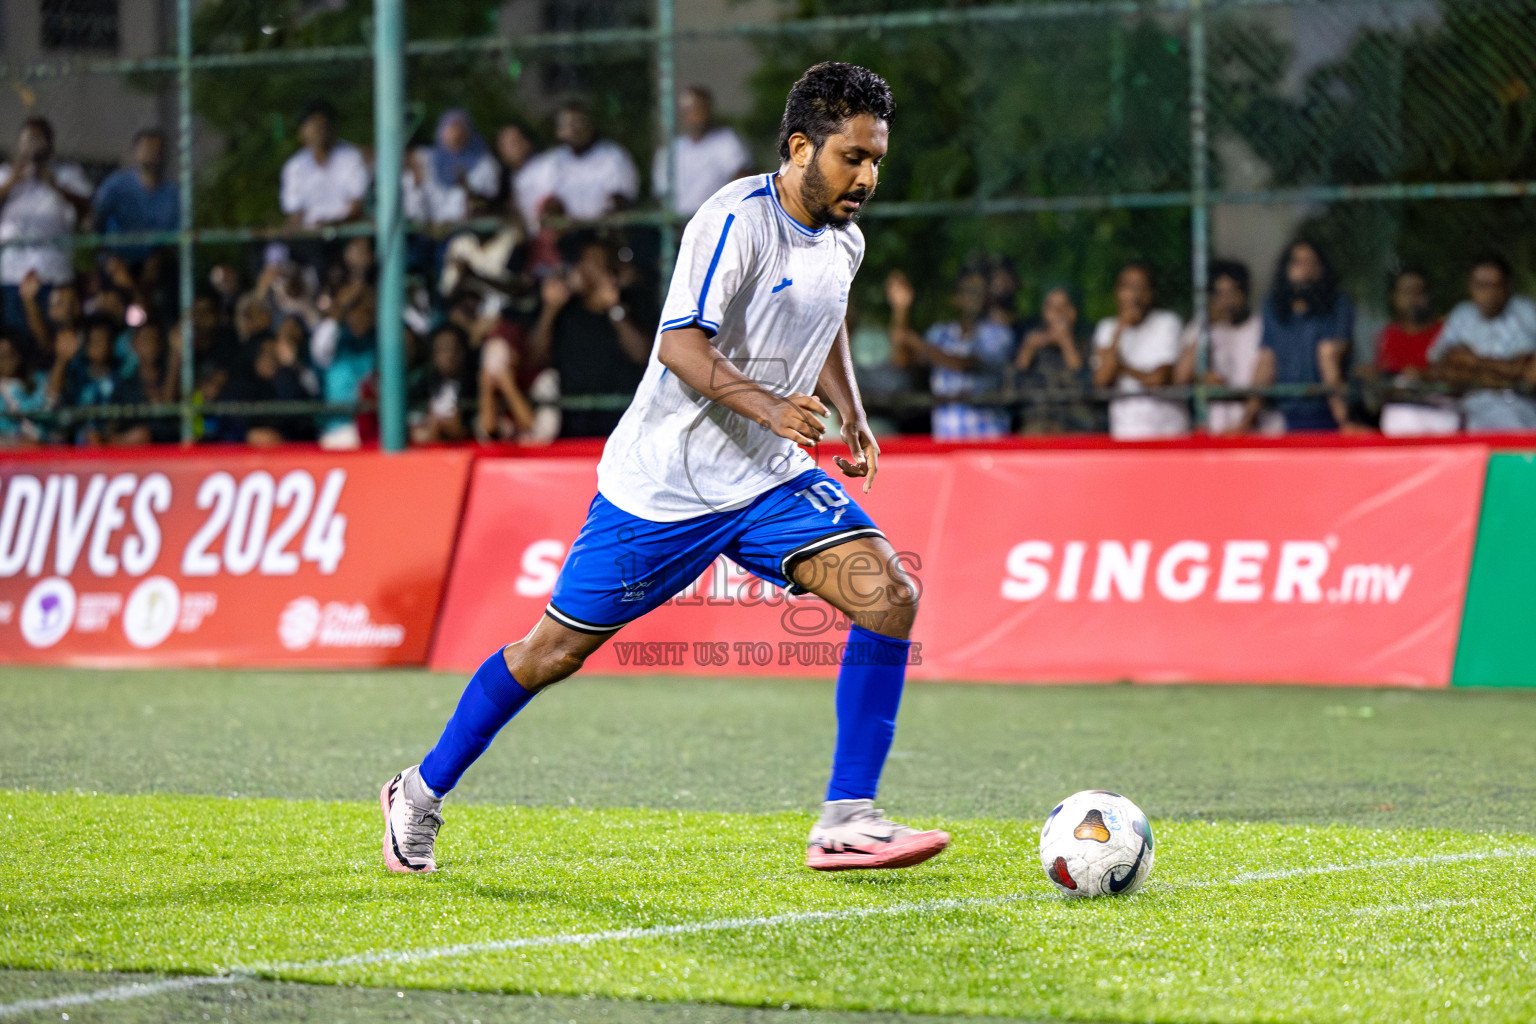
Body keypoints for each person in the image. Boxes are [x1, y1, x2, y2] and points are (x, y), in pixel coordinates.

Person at [381, 62, 949, 876]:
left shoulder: (846, 239)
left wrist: (853, 415)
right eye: (853, 157)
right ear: (800, 147)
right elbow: (679, 345)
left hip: (766, 478)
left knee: (889, 594)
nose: (868, 177)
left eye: (877, 161)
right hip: (663, 486)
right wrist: (772, 406)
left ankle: (847, 817)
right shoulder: (734, 219)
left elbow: (827, 319)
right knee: (550, 654)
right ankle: (419, 793)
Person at [528, 231, 654, 438]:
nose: (595, 272)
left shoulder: (631, 302)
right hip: (572, 425)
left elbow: (643, 355)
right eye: (589, 263)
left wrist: (615, 308)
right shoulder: (564, 309)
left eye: (600, 263)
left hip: (622, 422)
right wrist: (550, 311)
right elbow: (535, 359)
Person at [886, 267, 1014, 440]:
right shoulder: (939, 333)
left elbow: (964, 363)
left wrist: (914, 341)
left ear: (987, 297)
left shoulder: (998, 333)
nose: (973, 296)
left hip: (988, 437)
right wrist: (900, 309)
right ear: (956, 299)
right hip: (947, 438)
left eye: (978, 291)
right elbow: (902, 360)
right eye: (968, 291)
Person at [1248, 240, 1360, 433]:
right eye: (1298, 263)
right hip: (1286, 414)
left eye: (1312, 263)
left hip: (1329, 414)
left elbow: (1329, 356)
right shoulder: (1273, 307)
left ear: (1322, 269)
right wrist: (1246, 420)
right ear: (1286, 269)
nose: (1305, 270)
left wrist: (1344, 419)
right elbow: (1267, 360)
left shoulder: (1337, 304)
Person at [0, 117, 91, 349]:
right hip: (12, 276)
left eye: (39, 139)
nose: (34, 146)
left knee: (52, 340)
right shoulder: (4, 173)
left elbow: (86, 210)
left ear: (50, 144)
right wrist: (11, 182)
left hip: (54, 276)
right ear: (19, 143)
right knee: (16, 341)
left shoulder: (68, 173)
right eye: (29, 140)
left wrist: (54, 185)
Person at [1422, 255, 1536, 432]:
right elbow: (1440, 362)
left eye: (1494, 285)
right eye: (1480, 285)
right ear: (1470, 287)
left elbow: (1529, 371)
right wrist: (1505, 371)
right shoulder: (1462, 315)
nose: (1488, 293)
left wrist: (1473, 362)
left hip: (1520, 412)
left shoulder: (1526, 312)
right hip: (1466, 411)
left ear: (1508, 287)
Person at [1174, 260, 1274, 436]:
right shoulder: (1203, 328)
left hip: (1257, 429)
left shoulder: (1261, 327)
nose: (1227, 301)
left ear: (1244, 293)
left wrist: (1242, 426)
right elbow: (1180, 378)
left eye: (1232, 292)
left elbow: (1264, 379)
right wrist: (1207, 325)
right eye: (1220, 294)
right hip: (1214, 428)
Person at [1092, 261, 1187, 440]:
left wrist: (1120, 367)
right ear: (1117, 293)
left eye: (1141, 288)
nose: (1134, 295)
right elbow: (1102, 380)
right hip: (1124, 432)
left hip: (1168, 432)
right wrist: (1119, 330)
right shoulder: (1107, 328)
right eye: (1128, 287)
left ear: (1151, 294)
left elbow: (1158, 380)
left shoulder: (1167, 323)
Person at [513, 99, 640, 231]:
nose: (574, 129)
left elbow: (622, 202)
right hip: (565, 235)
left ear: (591, 126)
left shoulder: (613, 157)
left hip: (603, 233)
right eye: (568, 124)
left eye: (578, 122)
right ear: (559, 131)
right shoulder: (550, 163)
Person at [652, 86, 753, 218]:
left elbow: (743, 182)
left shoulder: (727, 141)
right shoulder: (669, 150)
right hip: (678, 226)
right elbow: (662, 195)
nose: (693, 115)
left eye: (698, 109)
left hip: (717, 221)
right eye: (688, 110)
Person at [1015, 285, 1099, 435]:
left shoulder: (1087, 345)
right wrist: (1026, 353)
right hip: (1036, 432)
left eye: (1063, 306)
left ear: (1073, 312)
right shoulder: (1032, 346)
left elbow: (1087, 390)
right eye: (1051, 307)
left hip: (1074, 431)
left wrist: (1067, 345)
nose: (1057, 312)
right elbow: (1011, 394)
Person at [91, 129, 179, 270]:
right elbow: (97, 219)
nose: (151, 153)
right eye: (146, 148)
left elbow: (175, 234)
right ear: (135, 152)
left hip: (155, 261)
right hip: (118, 257)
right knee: (114, 269)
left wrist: (157, 257)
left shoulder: (171, 193)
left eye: (155, 149)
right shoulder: (115, 185)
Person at [279, 100, 371, 229]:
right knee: (274, 248)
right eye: (314, 126)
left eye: (323, 125)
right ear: (301, 131)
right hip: (309, 236)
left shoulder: (352, 157)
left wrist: (329, 225)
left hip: (344, 232)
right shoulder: (294, 166)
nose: (320, 131)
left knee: (358, 248)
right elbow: (295, 214)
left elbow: (356, 208)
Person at [403, 109, 501, 228]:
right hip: (434, 231)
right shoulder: (432, 162)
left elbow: (490, 199)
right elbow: (421, 207)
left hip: (473, 228)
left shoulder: (486, 164)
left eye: (459, 128)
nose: (455, 135)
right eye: (449, 129)